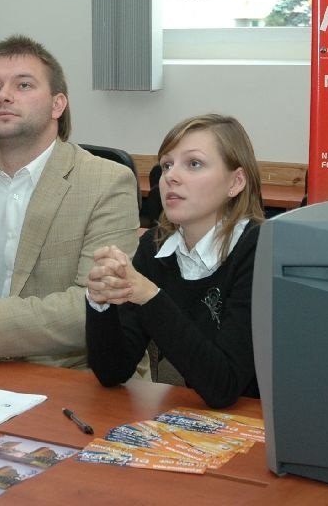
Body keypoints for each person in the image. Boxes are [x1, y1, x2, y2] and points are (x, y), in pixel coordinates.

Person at [0, 35, 141, 370]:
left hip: (67, 373)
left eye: (23, 85)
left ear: (57, 105)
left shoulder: (107, 182)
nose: (3, 95)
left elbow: (95, 308)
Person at [86, 114, 265, 408]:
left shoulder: (258, 250)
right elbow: (112, 372)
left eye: (193, 164)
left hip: (264, 419)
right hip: (203, 419)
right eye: (167, 165)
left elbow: (224, 386)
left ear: (235, 182)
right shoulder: (155, 247)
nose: (170, 177)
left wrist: (150, 297)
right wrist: (100, 303)